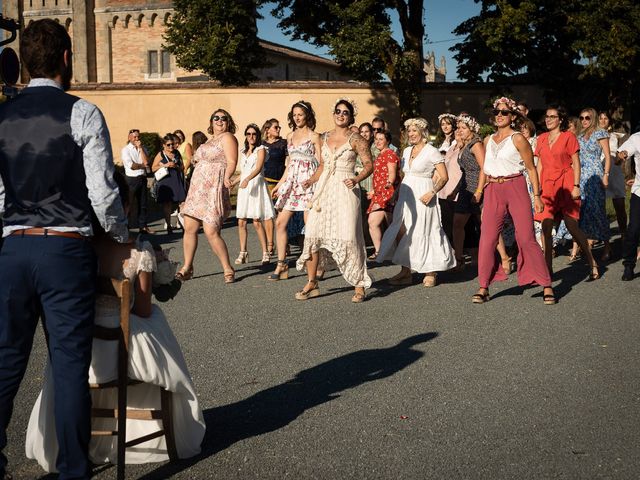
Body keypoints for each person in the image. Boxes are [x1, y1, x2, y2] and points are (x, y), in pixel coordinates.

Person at [0, 19, 129, 480]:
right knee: (70, 364)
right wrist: (118, 235)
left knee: (6, 357)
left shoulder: (3, 114)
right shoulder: (84, 112)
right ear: (66, 59)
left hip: (13, 247)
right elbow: (102, 193)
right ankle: (74, 470)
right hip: (65, 249)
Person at [25, 172, 205, 471]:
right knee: (156, 322)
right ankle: (157, 433)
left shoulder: (76, 248)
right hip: (124, 354)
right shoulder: (139, 250)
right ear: (126, 205)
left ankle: (76, 440)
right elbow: (144, 309)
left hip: (83, 353)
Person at [474, 97, 555, 305]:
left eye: (504, 113)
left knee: (526, 238)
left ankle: (546, 284)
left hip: (516, 186)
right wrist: (479, 190)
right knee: (487, 239)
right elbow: (485, 168)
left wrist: (536, 196)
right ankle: (484, 286)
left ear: (512, 117)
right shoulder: (487, 140)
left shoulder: (518, 138)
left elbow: (530, 168)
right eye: (496, 113)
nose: (499, 116)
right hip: (493, 189)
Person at [295, 98, 373, 302]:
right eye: (338, 111)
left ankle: (359, 285)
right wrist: (310, 181)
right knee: (312, 234)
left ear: (350, 116)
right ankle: (312, 283)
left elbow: (368, 165)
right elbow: (322, 165)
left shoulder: (357, 138)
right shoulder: (324, 137)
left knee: (350, 236)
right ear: (333, 113)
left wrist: (356, 178)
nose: (341, 114)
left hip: (346, 188)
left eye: (345, 112)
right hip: (324, 190)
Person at [377, 118, 456, 287]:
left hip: (424, 193)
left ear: (422, 133)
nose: (411, 134)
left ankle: (430, 271)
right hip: (406, 195)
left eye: (414, 131)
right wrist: (395, 194)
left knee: (425, 229)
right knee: (403, 231)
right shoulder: (406, 151)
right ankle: (406, 271)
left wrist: (432, 192)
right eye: (409, 131)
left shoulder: (431, 151)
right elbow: (406, 176)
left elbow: (444, 176)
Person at [534, 106, 599, 279]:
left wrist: (576, 186)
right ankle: (548, 269)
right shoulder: (541, 139)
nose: (548, 119)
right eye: (547, 116)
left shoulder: (568, 137)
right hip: (547, 186)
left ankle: (591, 260)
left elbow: (576, 163)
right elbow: (539, 165)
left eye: (552, 117)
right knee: (546, 228)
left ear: (560, 119)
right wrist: (537, 190)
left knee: (572, 226)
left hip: (566, 183)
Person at [177, 109, 237, 284]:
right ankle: (187, 267)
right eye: (216, 118)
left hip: (213, 188)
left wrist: (227, 177)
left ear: (228, 122)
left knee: (211, 231)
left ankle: (227, 267)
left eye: (223, 118)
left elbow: (232, 161)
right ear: (211, 122)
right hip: (197, 189)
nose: (219, 121)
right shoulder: (209, 141)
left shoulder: (228, 138)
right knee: (189, 228)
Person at [269, 101, 321, 281]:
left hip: (308, 184)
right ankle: (282, 264)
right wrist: (279, 184)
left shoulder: (315, 136)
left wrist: (314, 181)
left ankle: (316, 264)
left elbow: (322, 163)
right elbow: (290, 164)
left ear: (307, 115)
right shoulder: (289, 136)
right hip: (292, 183)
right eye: (294, 114)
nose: (297, 117)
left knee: (310, 227)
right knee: (280, 223)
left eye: (300, 114)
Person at [233, 124, 276, 265]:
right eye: (248, 134)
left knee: (257, 221)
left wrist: (247, 179)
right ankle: (243, 252)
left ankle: (265, 252)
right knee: (241, 221)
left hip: (256, 185)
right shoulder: (243, 151)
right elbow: (244, 171)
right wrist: (233, 182)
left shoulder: (261, 149)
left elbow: (258, 168)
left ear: (258, 136)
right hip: (245, 188)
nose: (251, 137)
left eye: (254, 134)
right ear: (245, 135)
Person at [451, 115, 490, 271]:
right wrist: (455, 190)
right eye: (458, 128)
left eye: (463, 128)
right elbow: (464, 171)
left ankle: (503, 258)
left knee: (486, 226)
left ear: (472, 129)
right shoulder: (464, 145)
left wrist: (479, 190)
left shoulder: (476, 144)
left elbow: (484, 168)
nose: (460, 131)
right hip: (465, 190)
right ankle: (459, 260)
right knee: (457, 224)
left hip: (476, 188)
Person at [577, 107, 612, 261]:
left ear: (594, 118)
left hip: (596, 175)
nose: (584, 120)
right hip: (582, 176)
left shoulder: (600, 133)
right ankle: (586, 246)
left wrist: (606, 175)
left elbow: (608, 156)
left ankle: (607, 246)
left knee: (598, 210)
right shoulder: (579, 135)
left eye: (587, 118)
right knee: (583, 211)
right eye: (582, 118)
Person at [366, 129, 400, 259]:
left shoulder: (390, 154)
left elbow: (392, 173)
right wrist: (374, 191)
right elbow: (380, 176)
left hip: (388, 193)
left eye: (381, 139)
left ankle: (396, 251)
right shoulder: (380, 155)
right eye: (376, 139)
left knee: (392, 224)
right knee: (374, 222)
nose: (377, 142)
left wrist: (389, 183)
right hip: (379, 194)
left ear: (388, 141)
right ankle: (381, 251)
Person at [598, 111, 627, 240]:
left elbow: (621, 156)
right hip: (599, 169)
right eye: (601, 118)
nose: (603, 120)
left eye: (606, 118)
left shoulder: (616, 136)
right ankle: (601, 236)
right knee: (600, 206)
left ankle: (624, 233)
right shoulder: (593, 135)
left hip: (614, 169)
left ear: (609, 121)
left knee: (619, 204)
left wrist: (620, 159)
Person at [261, 118, 287, 256]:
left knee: (281, 214)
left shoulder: (283, 143)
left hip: (280, 181)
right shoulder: (262, 144)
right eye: (275, 127)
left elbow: (289, 160)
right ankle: (270, 244)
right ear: (267, 130)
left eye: (279, 127)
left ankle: (284, 242)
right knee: (268, 214)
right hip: (266, 181)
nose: (278, 129)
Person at [152, 134, 187, 234]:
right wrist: (166, 165)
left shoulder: (177, 153)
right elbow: (153, 168)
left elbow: (182, 167)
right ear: (164, 145)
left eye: (173, 144)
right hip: (166, 181)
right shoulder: (160, 154)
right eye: (168, 145)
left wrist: (176, 166)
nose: (171, 147)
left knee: (182, 202)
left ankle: (183, 224)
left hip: (176, 179)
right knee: (167, 204)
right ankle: (168, 225)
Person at [618, 133, 640, 280]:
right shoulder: (637, 138)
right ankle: (628, 265)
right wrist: (622, 154)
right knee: (633, 229)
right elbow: (626, 151)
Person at [122, 128, 152, 234]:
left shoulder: (142, 148)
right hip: (131, 179)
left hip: (142, 178)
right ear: (129, 138)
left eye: (138, 136)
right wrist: (143, 166)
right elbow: (132, 166)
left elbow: (147, 162)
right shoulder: (125, 150)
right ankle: (126, 225)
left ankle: (143, 226)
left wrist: (140, 148)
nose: (137, 138)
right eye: (134, 137)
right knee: (129, 203)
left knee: (143, 203)